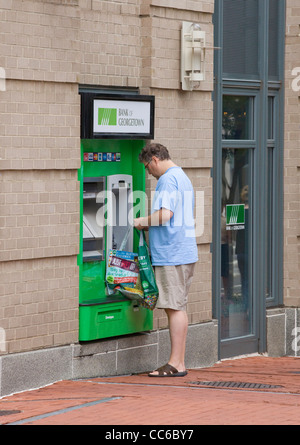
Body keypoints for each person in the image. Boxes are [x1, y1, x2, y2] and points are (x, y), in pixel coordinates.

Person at [134, 142, 198, 377]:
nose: (148, 173)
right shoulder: (182, 176)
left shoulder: (167, 180)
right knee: (177, 306)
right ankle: (178, 361)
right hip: (183, 252)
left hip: (173, 254)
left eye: (147, 167)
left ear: (154, 160)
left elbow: (165, 215)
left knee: (174, 308)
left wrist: (142, 222)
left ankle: (176, 364)